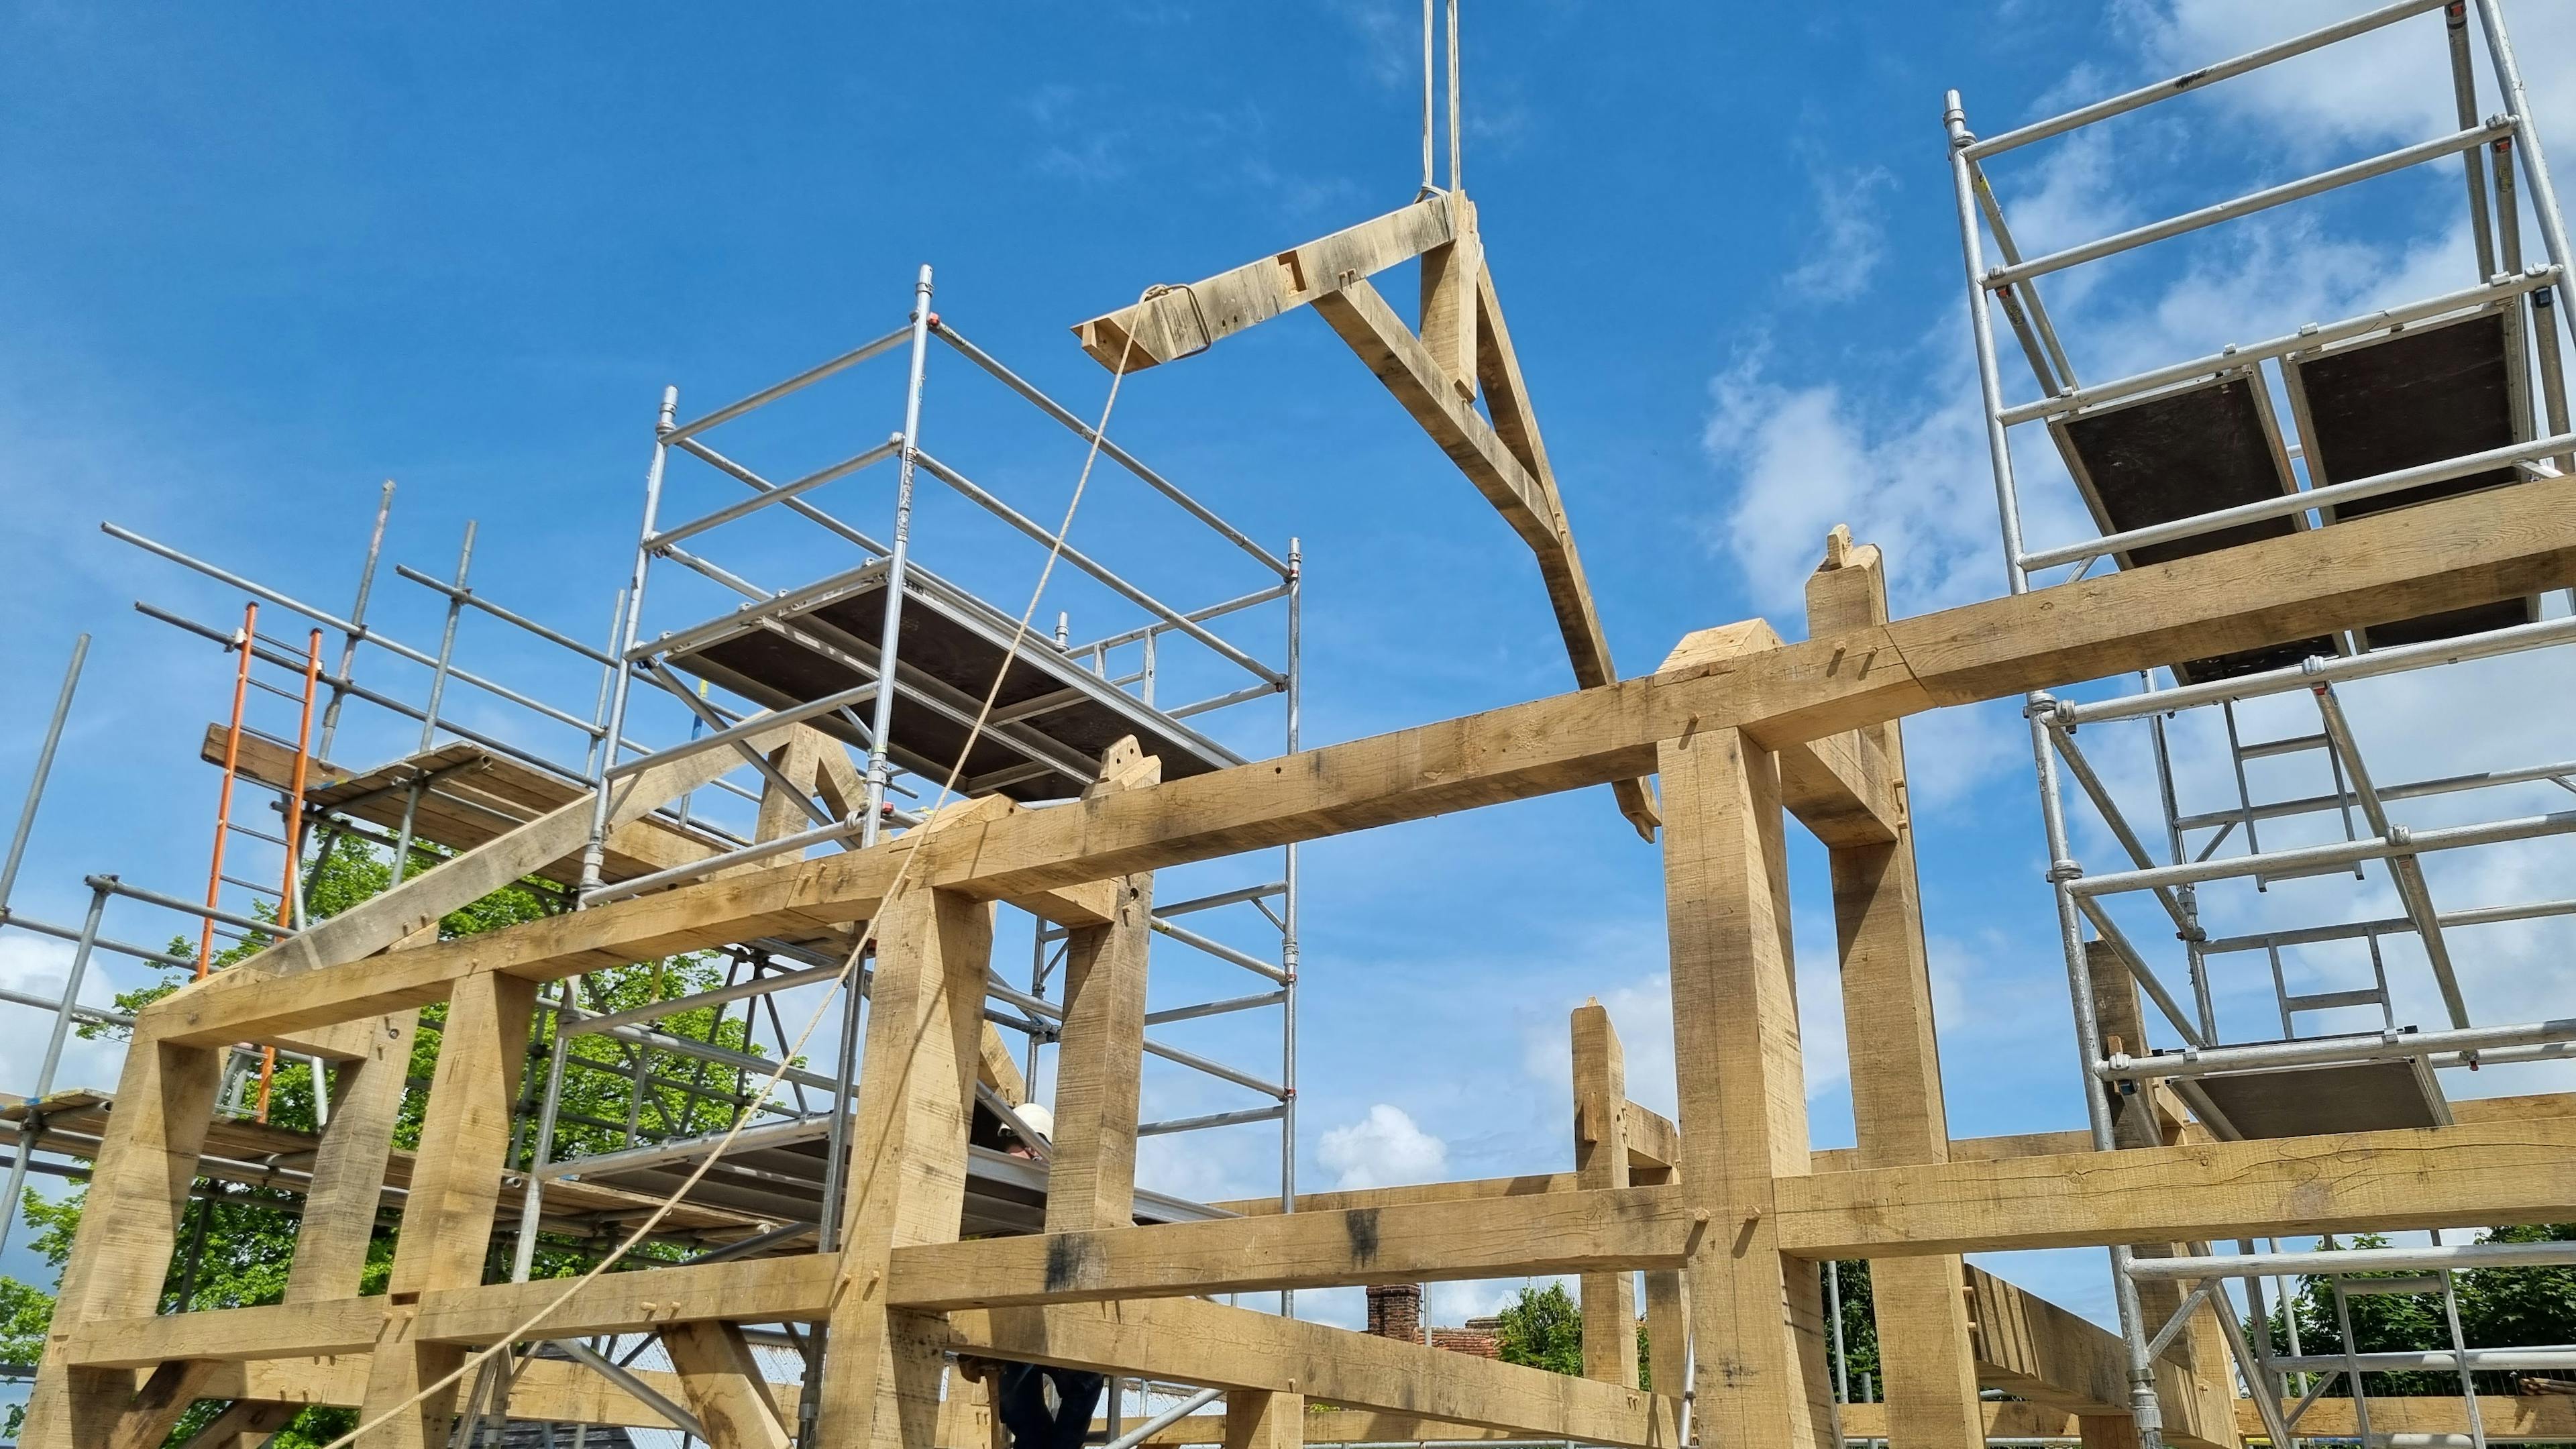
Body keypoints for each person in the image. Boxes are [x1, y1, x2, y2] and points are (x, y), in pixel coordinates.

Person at [986, 1104, 1108, 1449]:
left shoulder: (1068, 1192)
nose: (1023, 1154)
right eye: (1017, 1147)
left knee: (1084, 1383)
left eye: (1030, 1146)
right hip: (1011, 1317)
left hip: (1056, 1316)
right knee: (1020, 1404)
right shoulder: (992, 1187)